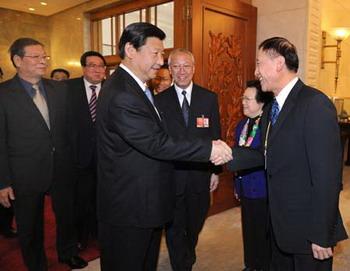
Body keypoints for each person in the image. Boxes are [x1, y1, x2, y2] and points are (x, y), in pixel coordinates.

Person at [96, 22, 232, 271]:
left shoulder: (135, 89)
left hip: (144, 199)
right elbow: (156, 143)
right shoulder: (122, 94)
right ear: (131, 49)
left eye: (162, 54)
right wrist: (209, 150)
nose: (161, 61)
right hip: (130, 205)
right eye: (156, 53)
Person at [228, 37, 348, 271]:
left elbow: (327, 177)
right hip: (280, 225)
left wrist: (321, 233)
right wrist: (223, 154)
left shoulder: (314, 104)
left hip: (309, 230)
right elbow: (266, 155)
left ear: (279, 63)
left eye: (259, 63)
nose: (256, 71)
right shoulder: (273, 107)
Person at [0, 38, 87, 271]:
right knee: (30, 225)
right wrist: (3, 181)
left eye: (44, 57)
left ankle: (67, 253)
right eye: (36, 57)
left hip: (62, 167)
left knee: (66, 216)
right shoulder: (3, 94)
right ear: (17, 60)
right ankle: (36, 265)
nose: (43, 61)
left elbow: (70, 129)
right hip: (24, 172)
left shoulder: (60, 89)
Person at [155, 48, 221, 271]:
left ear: (193, 68)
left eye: (186, 66)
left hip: (199, 174)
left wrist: (215, 171)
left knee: (196, 221)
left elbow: (215, 137)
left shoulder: (209, 98)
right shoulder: (159, 101)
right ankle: (180, 264)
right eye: (176, 66)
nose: (181, 71)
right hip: (170, 175)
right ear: (169, 69)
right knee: (173, 226)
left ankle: (188, 248)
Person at [66, 51, 106, 250]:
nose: (97, 69)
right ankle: (80, 237)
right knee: (80, 200)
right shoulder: (67, 88)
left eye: (101, 66)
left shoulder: (112, 90)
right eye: (92, 65)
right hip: (77, 157)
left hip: (106, 158)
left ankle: (100, 233)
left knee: (102, 199)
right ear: (83, 68)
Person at [234, 80, 272, 271]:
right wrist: (237, 186)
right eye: (243, 98)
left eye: (248, 99)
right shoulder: (241, 124)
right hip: (245, 187)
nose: (243, 102)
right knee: (248, 230)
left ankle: (263, 266)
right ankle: (250, 264)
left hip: (263, 189)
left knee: (262, 232)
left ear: (261, 103)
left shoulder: (269, 126)